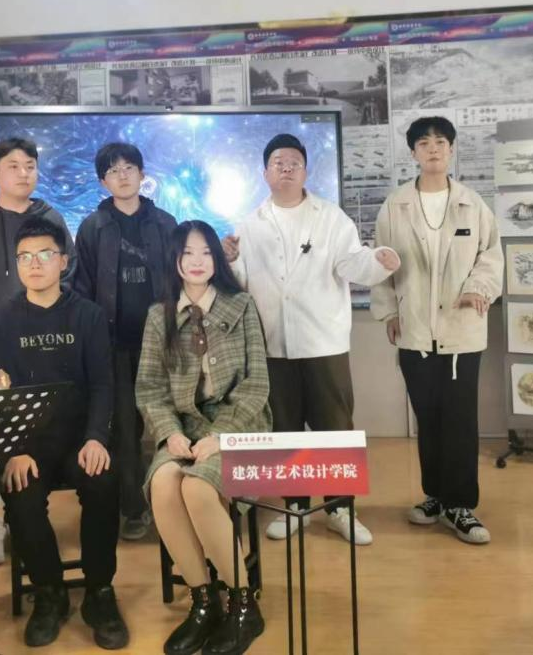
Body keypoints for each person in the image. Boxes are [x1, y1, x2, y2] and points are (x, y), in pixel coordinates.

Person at [223, 133, 400, 545]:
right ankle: (295, 506)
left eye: (294, 163)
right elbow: (239, 283)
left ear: (305, 171)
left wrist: (378, 262)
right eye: (278, 163)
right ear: (265, 173)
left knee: (333, 426)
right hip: (271, 344)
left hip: (324, 343)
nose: (286, 169)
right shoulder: (250, 224)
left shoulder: (330, 217)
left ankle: (340, 509)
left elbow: (353, 262)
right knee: (283, 426)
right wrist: (227, 261)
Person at [0, 217, 128, 650]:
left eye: (45, 254)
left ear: (63, 261)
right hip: (28, 444)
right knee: (21, 492)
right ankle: (49, 592)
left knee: (103, 481)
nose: (34, 264)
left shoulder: (89, 316)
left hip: (80, 438)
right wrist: (12, 450)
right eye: (24, 257)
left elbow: (102, 384)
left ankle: (100, 591)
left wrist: (97, 437)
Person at [137, 220, 272, 655]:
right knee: (163, 484)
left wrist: (221, 435)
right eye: (188, 253)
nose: (197, 261)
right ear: (175, 260)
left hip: (240, 424)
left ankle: (243, 604)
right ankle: (203, 600)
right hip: (184, 428)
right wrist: (170, 433)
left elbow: (257, 385)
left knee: (197, 488)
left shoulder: (241, 305)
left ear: (218, 259)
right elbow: (150, 389)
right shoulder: (159, 316)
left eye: (206, 253)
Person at [371, 116, 502, 545]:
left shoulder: (471, 204)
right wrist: (388, 312)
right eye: (424, 143)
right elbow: (381, 262)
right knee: (427, 418)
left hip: (461, 332)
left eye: (440, 142)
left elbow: (491, 256)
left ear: (452, 149)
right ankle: (435, 495)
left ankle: (460, 504)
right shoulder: (395, 205)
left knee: (460, 419)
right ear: (413, 152)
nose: (432, 149)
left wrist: (479, 287)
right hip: (414, 331)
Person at [0, 135, 77, 562]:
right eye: (13, 166)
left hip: (47, 347)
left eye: (30, 166)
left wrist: (51, 328)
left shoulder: (51, 218)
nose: (24, 174)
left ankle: (27, 517)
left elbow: (69, 275)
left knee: (41, 435)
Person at [75, 141, 177, 542]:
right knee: (124, 429)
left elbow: (180, 278)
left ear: (142, 174)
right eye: (113, 170)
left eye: (129, 168)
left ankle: (179, 500)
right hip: (114, 345)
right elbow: (82, 289)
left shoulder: (165, 223)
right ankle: (134, 508)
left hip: (163, 344)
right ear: (103, 181)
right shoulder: (92, 227)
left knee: (174, 420)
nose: (122, 175)